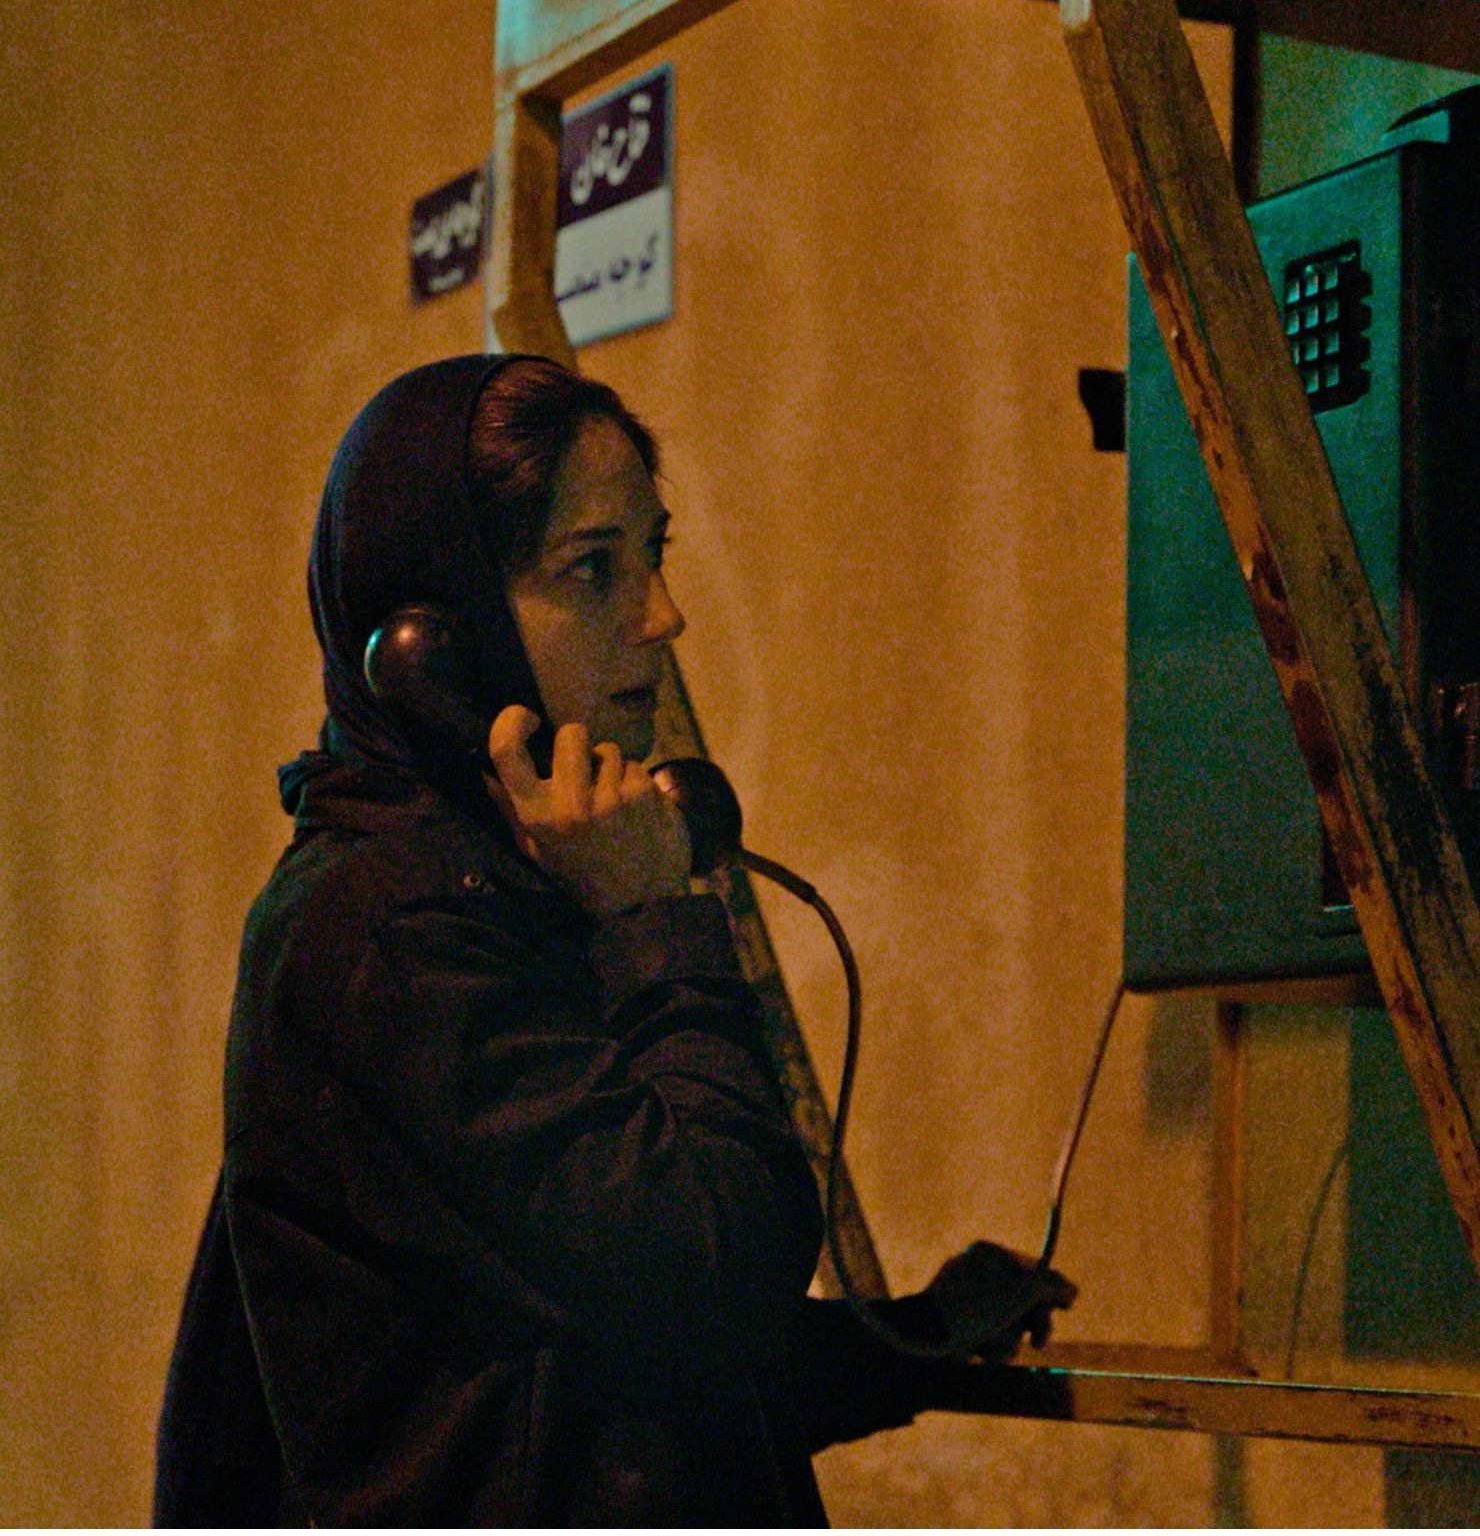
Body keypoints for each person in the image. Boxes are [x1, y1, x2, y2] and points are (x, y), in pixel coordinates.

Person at [154, 354, 1073, 1527]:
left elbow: (616, 1353)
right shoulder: (401, 929)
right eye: (593, 568)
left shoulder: (503, 880)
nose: (662, 615)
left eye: (654, 552)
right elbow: (713, 1267)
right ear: (436, 639)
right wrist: (652, 923)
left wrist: (917, 1337)